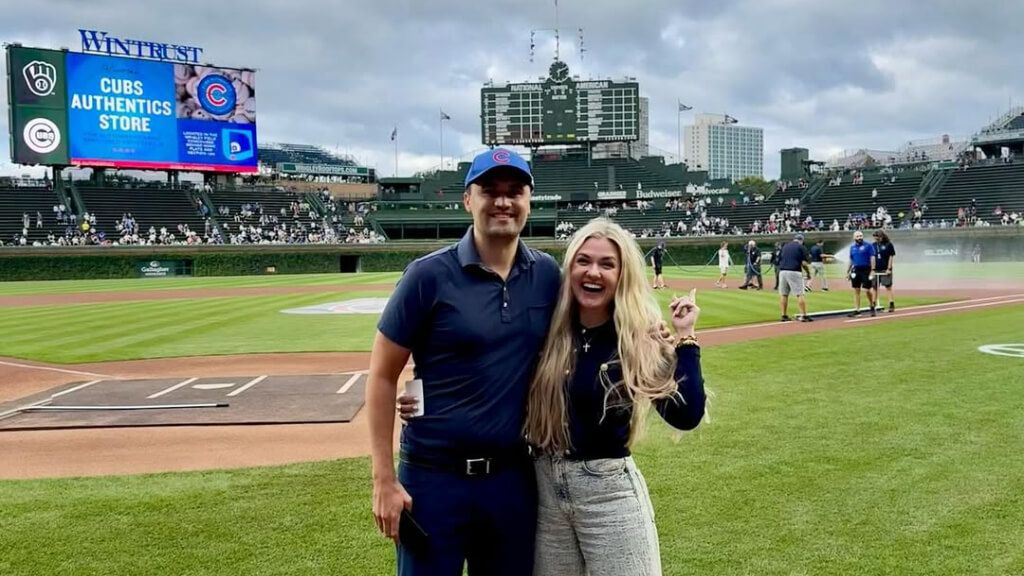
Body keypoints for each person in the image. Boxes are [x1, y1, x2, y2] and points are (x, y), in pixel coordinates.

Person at [368, 148, 561, 575]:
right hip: (433, 480)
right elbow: (382, 375)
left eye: (515, 191)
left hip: (512, 481)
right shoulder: (427, 275)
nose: (503, 202)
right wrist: (384, 480)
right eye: (490, 190)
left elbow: (588, 334)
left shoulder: (547, 275)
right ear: (468, 200)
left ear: (529, 200)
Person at [525, 218, 706, 575]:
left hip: (608, 494)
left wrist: (685, 339)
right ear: (570, 268)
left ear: (622, 274)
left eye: (607, 264)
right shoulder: (547, 329)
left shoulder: (637, 336)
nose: (594, 272)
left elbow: (686, 415)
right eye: (584, 261)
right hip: (545, 492)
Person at [778, 233, 813, 322]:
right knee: (800, 293)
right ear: (801, 240)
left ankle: (784, 315)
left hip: (782, 271)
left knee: (784, 294)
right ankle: (804, 315)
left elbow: (780, 259)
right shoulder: (801, 247)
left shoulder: (785, 246)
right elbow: (804, 263)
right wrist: (808, 273)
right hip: (794, 271)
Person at [846, 230, 877, 317]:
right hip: (856, 270)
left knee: (867, 290)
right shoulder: (852, 247)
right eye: (857, 236)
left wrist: (873, 270)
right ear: (854, 238)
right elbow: (851, 260)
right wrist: (848, 271)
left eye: (860, 236)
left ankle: (872, 305)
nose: (859, 237)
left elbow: (872, 258)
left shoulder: (868, 246)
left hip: (866, 269)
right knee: (856, 290)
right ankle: (857, 310)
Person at [872, 230, 896, 312]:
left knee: (888, 287)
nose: (876, 239)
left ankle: (891, 304)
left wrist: (889, 268)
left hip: (885, 269)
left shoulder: (888, 244)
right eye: (875, 238)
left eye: (878, 238)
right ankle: (873, 304)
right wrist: (872, 269)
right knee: (874, 287)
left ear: (882, 237)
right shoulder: (873, 245)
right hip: (875, 269)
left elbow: (891, 257)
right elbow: (872, 258)